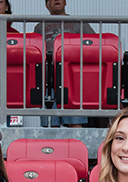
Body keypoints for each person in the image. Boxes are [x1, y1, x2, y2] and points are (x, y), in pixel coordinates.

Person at [34, 0, 94, 128]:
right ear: (47, 5)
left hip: (73, 79)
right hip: (48, 80)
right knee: (50, 126)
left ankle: (78, 148)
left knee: (76, 124)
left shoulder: (79, 23)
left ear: (65, 2)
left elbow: (95, 44)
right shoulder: (40, 26)